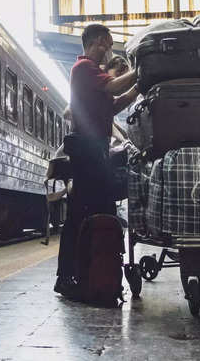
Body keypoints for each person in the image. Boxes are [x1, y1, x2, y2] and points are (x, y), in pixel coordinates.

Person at [55, 24, 138, 299]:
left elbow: (113, 105)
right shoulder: (84, 68)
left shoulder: (93, 74)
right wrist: (142, 72)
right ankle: (69, 277)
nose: (110, 51)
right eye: (109, 44)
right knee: (82, 213)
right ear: (100, 42)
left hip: (96, 149)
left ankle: (96, 274)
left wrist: (139, 87)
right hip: (88, 150)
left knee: (99, 211)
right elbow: (114, 86)